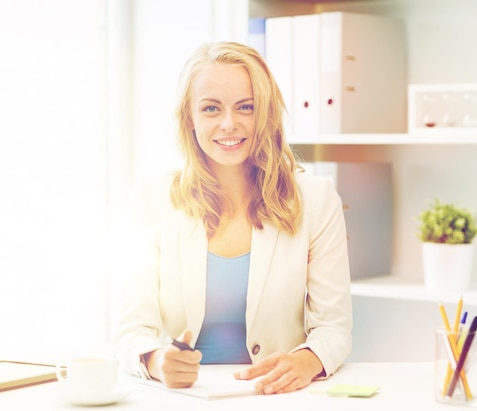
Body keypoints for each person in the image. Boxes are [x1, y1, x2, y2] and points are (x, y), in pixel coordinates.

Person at [112, 41, 352, 395]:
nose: (229, 124)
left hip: (279, 397)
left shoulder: (316, 199)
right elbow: (131, 330)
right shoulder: (151, 199)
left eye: (246, 107)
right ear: (190, 117)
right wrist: (156, 361)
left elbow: (334, 327)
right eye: (211, 108)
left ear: (267, 113)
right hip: (183, 398)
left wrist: (306, 361)